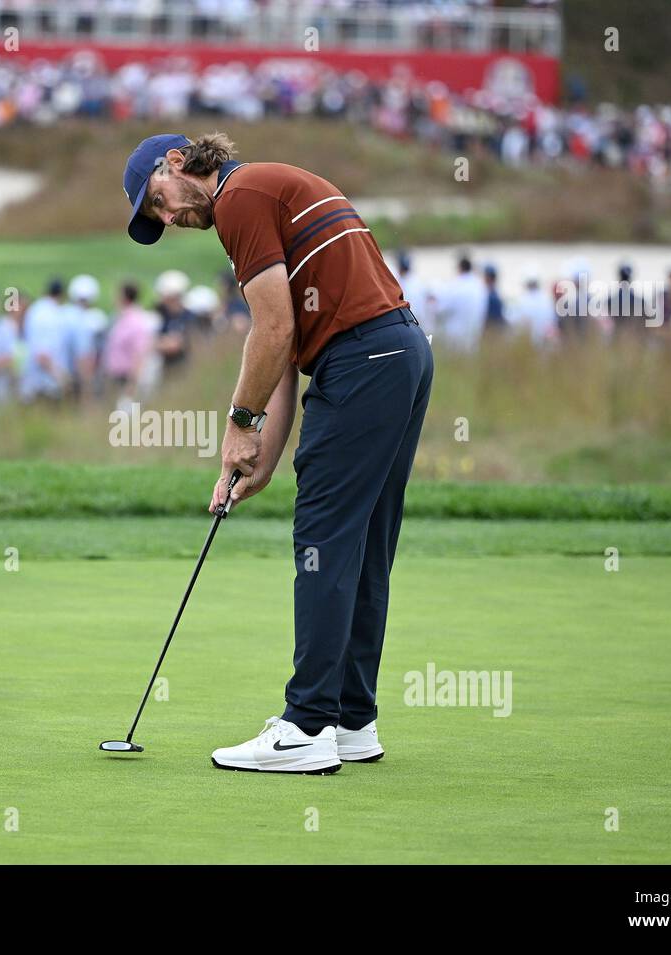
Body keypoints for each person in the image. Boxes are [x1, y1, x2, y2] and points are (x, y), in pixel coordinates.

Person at [124, 131, 432, 774]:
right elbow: (291, 346)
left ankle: (306, 727)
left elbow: (273, 328)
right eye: (158, 218)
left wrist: (238, 423)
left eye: (160, 202)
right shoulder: (265, 186)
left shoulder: (239, 197)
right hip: (396, 354)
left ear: (177, 164)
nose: (171, 219)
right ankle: (351, 721)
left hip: (363, 359)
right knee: (363, 541)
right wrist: (261, 455)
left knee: (324, 537)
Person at [103, 280, 158, 406]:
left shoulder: (136, 321)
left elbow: (140, 354)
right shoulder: (119, 317)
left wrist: (132, 384)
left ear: (125, 298)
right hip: (116, 377)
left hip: (127, 379)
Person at [435, 253, 487, 349]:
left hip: (455, 337)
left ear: (460, 268)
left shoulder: (455, 286)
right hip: (474, 335)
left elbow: (440, 310)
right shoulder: (479, 286)